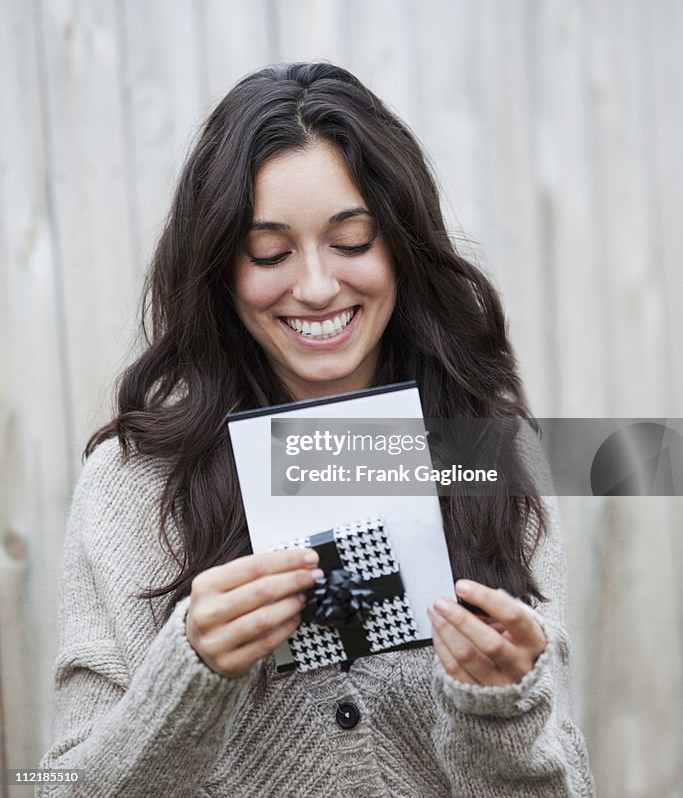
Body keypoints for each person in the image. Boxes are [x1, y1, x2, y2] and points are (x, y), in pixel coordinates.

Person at [38, 62, 595, 797]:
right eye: (268, 253)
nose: (316, 286)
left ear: (399, 246)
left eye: (352, 240)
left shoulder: (485, 455)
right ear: (219, 270)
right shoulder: (132, 484)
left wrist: (501, 713)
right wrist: (187, 679)